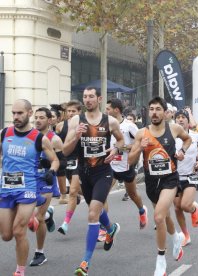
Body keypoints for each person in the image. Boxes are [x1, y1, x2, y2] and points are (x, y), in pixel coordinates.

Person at [63, 87, 124, 275]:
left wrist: (115, 150)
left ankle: (85, 263)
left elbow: (120, 141)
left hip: (103, 173)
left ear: (99, 99)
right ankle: (111, 228)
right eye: (85, 97)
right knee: (93, 207)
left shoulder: (110, 121)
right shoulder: (75, 121)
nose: (87, 100)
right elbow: (65, 150)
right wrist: (76, 136)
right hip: (84, 172)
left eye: (91, 97)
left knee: (92, 214)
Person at [128, 96, 192, 276]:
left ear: (165, 112)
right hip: (151, 182)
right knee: (165, 216)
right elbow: (130, 161)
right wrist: (140, 147)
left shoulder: (174, 129)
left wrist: (182, 151)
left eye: (158, 109)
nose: (154, 112)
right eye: (151, 109)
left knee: (158, 217)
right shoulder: (142, 133)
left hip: (170, 179)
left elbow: (187, 139)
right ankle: (176, 238)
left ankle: (161, 261)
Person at [0, 99, 59, 276]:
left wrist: (52, 171)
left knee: (19, 231)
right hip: (6, 187)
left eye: (20, 113)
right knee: (6, 235)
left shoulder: (39, 138)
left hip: (28, 188)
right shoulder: (4, 133)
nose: (16, 117)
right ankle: (34, 217)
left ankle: (20, 271)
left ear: (29, 113)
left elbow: (55, 160)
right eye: (13, 113)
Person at [28, 107, 65, 266]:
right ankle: (49, 215)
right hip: (29, 180)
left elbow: (63, 162)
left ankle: (40, 253)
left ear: (50, 121)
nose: (37, 120)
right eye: (36, 117)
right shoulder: (29, 137)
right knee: (27, 218)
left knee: (37, 219)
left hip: (46, 180)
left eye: (42, 117)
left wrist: (50, 166)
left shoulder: (54, 139)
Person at [106, 99, 148, 228]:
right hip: (110, 166)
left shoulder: (129, 125)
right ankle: (104, 227)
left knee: (133, 194)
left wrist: (119, 148)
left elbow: (138, 144)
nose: (105, 111)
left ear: (116, 110)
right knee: (102, 195)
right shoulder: (106, 124)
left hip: (126, 165)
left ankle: (142, 210)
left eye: (108, 109)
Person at [173, 109, 198, 246]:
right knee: (177, 207)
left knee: (184, 205)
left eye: (183, 117)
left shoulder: (196, 136)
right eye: (178, 118)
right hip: (175, 177)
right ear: (175, 121)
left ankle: (193, 209)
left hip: (191, 175)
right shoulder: (170, 138)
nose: (181, 119)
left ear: (188, 122)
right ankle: (185, 235)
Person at [56, 100, 83, 235]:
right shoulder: (60, 126)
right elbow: (57, 144)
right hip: (67, 162)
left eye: (74, 111)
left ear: (79, 112)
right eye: (69, 111)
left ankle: (65, 223)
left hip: (80, 162)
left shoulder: (84, 125)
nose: (71, 114)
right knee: (83, 192)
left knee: (72, 191)